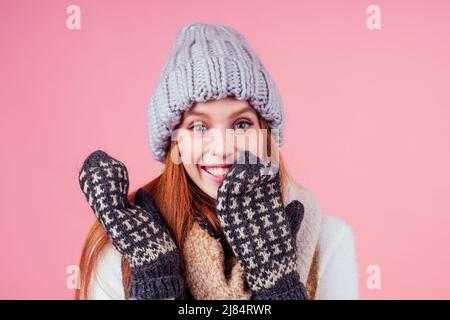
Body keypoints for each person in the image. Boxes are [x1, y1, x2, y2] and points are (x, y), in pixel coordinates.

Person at [75, 22, 359, 300]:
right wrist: (156, 278)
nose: (223, 149)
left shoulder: (328, 241)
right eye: (198, 127)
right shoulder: (124, 245)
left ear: (266, 134)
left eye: (241, 124)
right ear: (175, 143)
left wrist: (279, 288)